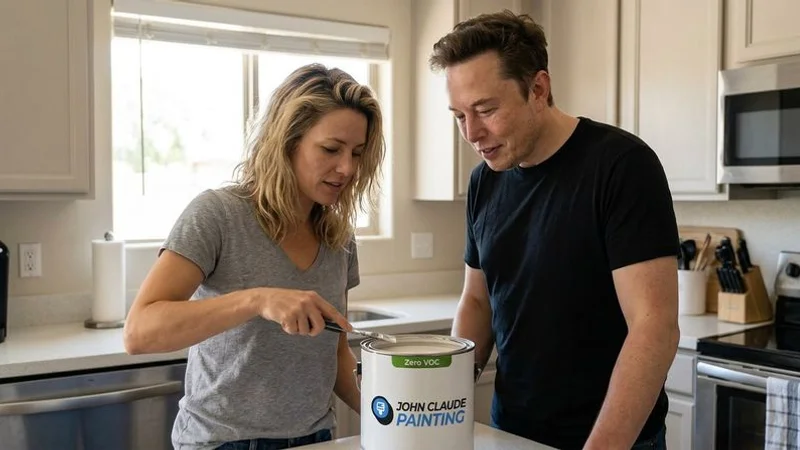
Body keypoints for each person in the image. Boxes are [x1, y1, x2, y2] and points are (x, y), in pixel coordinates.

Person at [429, 10, 680, 450]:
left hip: (613, 439)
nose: (471, 133)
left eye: (486, 109)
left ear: (538, 89)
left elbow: (654, 326)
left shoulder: (621, 166)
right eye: (458, 116)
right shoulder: (484, 182)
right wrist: (440, 401)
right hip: (512, 432)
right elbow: (477, 301)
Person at [123, 63, 385, 450]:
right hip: (223, 442)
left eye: (357, 153)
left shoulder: (338, 235)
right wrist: (258, 299)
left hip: (315, 438)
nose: (347, 168)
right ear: (289, 141)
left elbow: (335, 352)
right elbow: (139, 332)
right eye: (331, 149)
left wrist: (396, 415)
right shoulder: (218, 215)